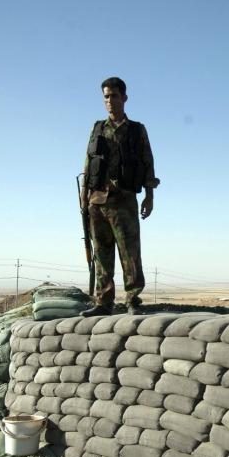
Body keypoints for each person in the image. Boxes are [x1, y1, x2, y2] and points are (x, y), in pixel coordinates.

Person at [80, 76, 159, 316]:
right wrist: (84, 197)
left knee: (129, 252)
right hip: (97, 200)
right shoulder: (97, 128)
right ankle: (103, 302)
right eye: (106, 96)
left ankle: (133, 300)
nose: (110, 101)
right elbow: (88, 162)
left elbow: (148, 162)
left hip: (123, 199)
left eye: (114, 96)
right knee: (101, 253)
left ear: (124, 98)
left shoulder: (136, 130)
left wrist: (149, 195)